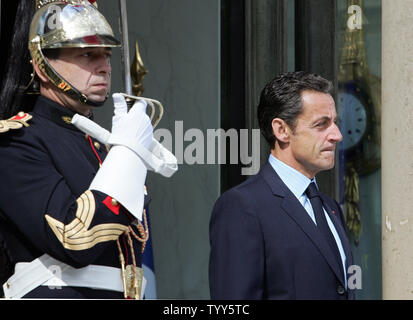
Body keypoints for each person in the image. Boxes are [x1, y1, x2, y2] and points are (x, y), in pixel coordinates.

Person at [0, 0, 177, 299]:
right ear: (43, 67)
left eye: (106, 55)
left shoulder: (101, 146)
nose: (105, 67)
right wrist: (127, 156)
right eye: (88, 54)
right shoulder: (16, 141)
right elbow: (75, 238)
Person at [209, 71, 355, 300]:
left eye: (335, 122)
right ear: (281, 130)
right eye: (321, 124)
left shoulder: (331, 208)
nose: (336, 135)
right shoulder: (242, 207)